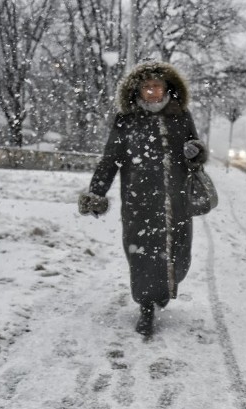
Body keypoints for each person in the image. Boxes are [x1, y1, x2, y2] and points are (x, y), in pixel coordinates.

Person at [78, 61, 207, 337]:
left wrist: (195, 152)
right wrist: (96, 192)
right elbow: (110, 159)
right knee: (142, 256)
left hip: (177, 200)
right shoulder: (126, 119)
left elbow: (195, 152)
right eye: (146, 87)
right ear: (138, 89)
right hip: (140, 201)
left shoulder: (181, 116)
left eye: (156, 86)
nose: (151, 91)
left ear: (166, 88)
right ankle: (146, 307)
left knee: (179, 256)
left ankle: (162, 290)